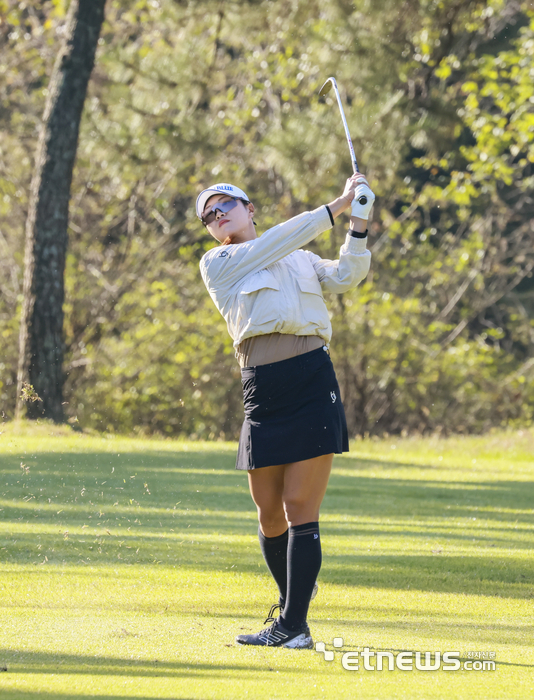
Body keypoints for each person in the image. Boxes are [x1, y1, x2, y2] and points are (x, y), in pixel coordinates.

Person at [196, 174, 374, 648]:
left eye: (225, 206)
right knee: (269, 513)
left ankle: (294, 625)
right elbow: (276, 242)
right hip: (263, 388)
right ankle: (294, 597)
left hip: (313, 380)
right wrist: (336, 205)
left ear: (248, 207)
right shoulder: (220, 262)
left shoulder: (301, 256)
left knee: (299, 507)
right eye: (209, 216)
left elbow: (346, 276)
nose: (218, 218)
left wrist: (357, 225)